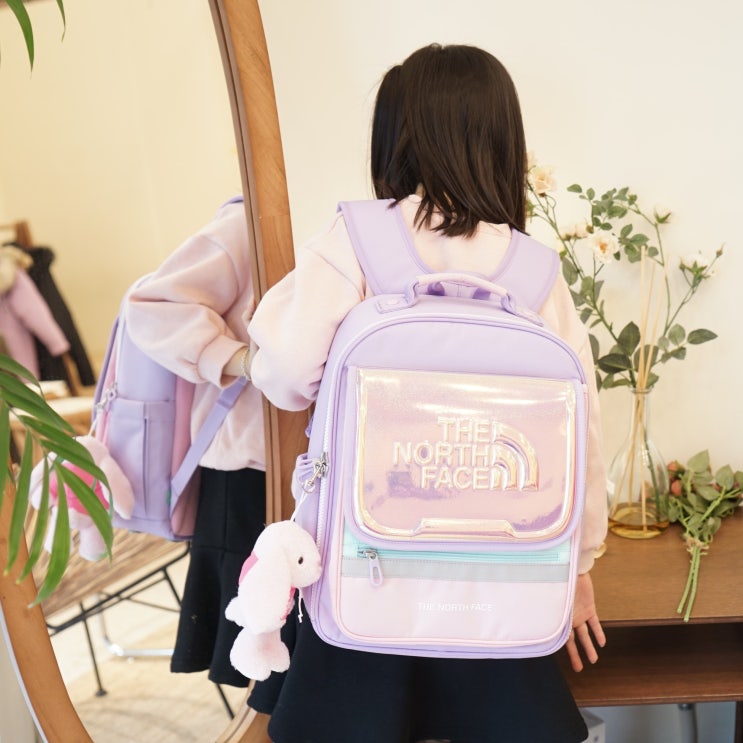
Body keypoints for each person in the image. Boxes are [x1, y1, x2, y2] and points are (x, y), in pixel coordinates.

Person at [246, 44, 608, 743]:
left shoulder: (355, 239)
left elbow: (284, 372)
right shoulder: (535, 270)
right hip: (501, 575)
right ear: (502, 142)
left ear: (396, 136)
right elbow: (584, 433)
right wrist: (581, 565)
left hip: (366, 564)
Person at [126, 196, 266, 689]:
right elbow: (153, 306)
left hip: (318, 465)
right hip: (246, 466)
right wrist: (241, 359)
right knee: (251, 648)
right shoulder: (248, 222)